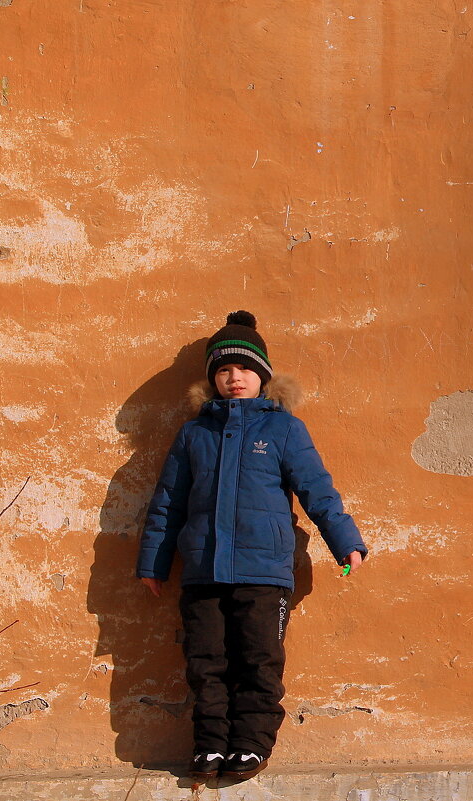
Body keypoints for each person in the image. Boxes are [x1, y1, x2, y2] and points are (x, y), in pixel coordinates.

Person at [136, 310, 367, 781]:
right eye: (223, 370)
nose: (234, 378)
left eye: (244, 369)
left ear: (263, 376)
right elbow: (168, 502)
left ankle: (250, 745)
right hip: (203, 570)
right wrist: (153, 563)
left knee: (258, 661)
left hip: (264, 573)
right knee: (206, 662)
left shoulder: (283, 429)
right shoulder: (194, 433)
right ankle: (210, 745)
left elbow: (317, 490)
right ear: (213, 379)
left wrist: (345, 541)